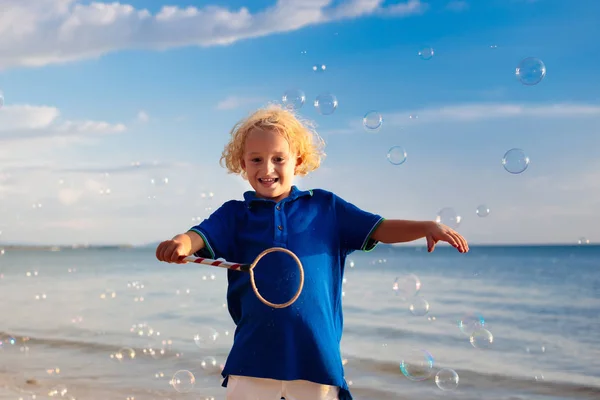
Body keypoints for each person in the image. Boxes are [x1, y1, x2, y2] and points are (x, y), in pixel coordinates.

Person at [155, 104, 469, 400]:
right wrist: (181, 243)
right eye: (256, 159)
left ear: (299, 161)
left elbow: (380, 228)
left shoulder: (326, 208)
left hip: (316, 358)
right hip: (252, 355)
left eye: (279, 158)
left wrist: (426, 226)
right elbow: (200, 236)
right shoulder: (236, 215)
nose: (268, 168)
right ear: (242, 163)